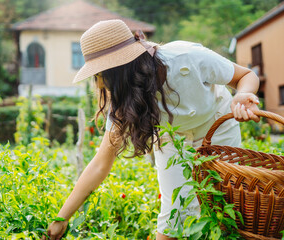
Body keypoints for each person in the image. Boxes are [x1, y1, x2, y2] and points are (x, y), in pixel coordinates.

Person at [44, 19, 260, 240]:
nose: (99, 85)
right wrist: (62, 218)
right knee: (173, 215)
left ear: (121, 69)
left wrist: (242, 96)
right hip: (173, 137)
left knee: (230, 202)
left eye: (100, 76)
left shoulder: (186, 58)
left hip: (216, 124)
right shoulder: (125, 103)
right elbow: (100, 164)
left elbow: (245, 76)